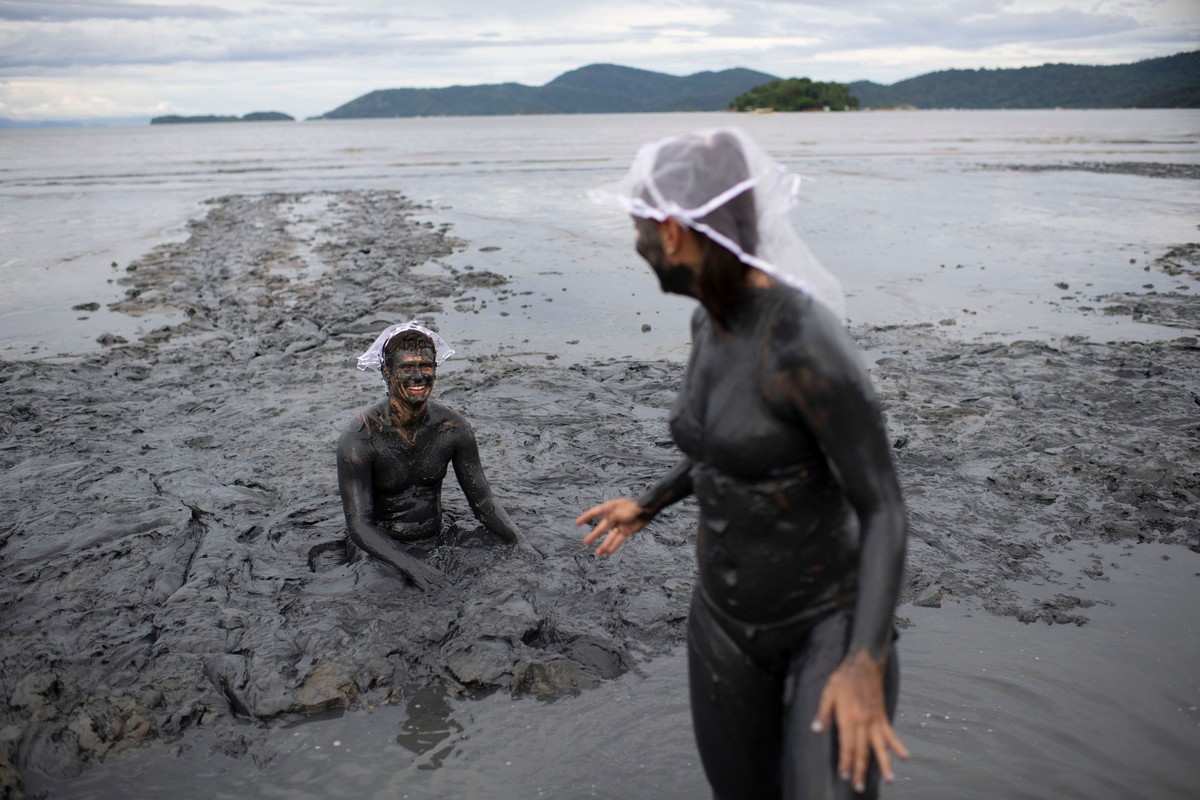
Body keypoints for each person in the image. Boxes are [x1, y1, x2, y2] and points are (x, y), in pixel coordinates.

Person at [575, 129, 909, 799]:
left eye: (640, 231)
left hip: (826, 622)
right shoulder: (710, 322)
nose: (638, 248)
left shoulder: (804, 344)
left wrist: (864, 661)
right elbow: (726, 453)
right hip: (725, 626)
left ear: (673, 232)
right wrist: (649, 503)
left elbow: (884, 508)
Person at [337, 322, 536, 590]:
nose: (418, 376)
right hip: (379, 545)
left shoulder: (453, 428)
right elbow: (359, 525)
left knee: (500, 577)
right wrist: (414, 568)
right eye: (407, 368)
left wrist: (521, 542)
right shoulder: (360, 437)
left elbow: (483, 502)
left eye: (426, 366)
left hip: (436, 535)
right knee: (385, 592)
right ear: (387, 371)